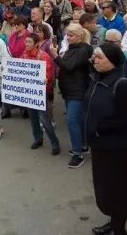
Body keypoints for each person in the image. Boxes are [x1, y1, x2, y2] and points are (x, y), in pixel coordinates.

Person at [85, 44, 127, 235]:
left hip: (116, 149)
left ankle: (119, 228)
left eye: (100, 57)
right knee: (105, 188)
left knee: (118, 190)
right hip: (100, 146)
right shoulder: (97, 78)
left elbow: (126, 120)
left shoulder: (121, 85)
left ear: (113, 61)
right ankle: (113, 221)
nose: (95, 60)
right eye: (94, 57)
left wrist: (99, 127)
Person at [49, 23, 93, 168]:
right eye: (67, 35)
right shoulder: (72, 48)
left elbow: (68, 67)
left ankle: (77, 153)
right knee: (78, 120)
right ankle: (83, 145)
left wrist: (55, 55)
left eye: (71, 35)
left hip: (77, 90)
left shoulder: (83, 50)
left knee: (72, 121)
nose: (68, 38)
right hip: (70, 89)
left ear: (80, 36)